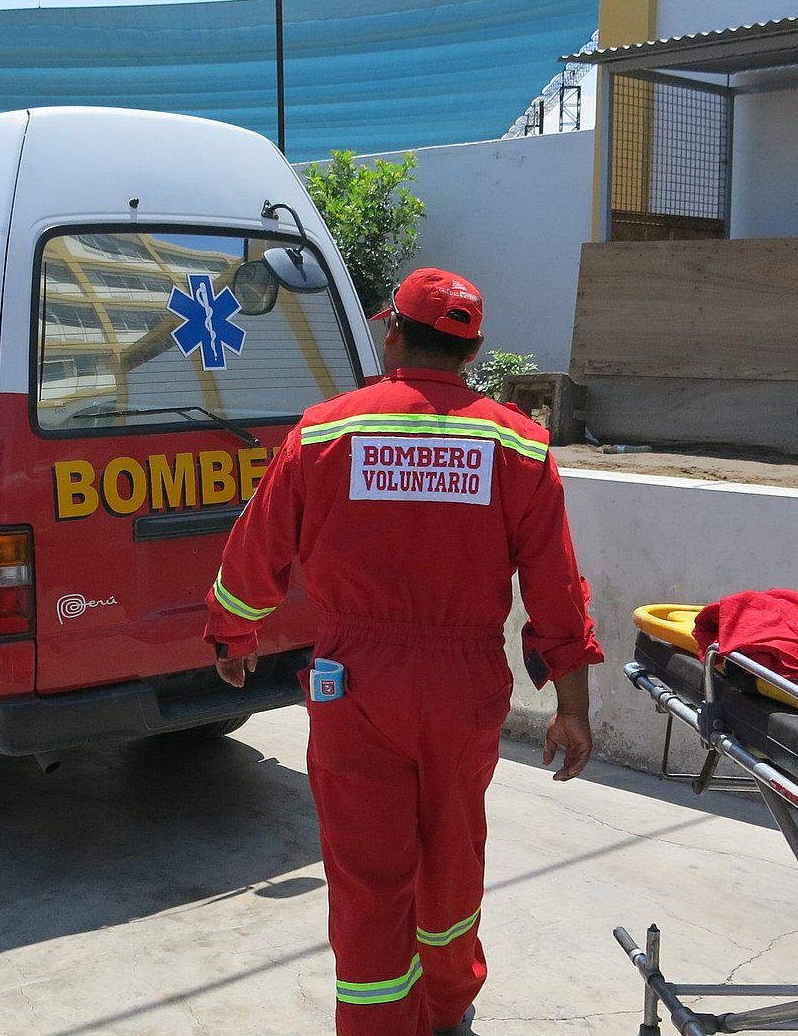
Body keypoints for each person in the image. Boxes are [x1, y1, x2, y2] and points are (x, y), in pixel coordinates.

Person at [204, 268, 603, 1036]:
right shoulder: (518, 443)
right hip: (463, 688)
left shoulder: (325, 432)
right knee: (453, 856)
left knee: (367, 873)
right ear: (474, 350)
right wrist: (573, 706)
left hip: (353, 683)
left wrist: (233, 630)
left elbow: (258, 546)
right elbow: (557, 585)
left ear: (393, 333)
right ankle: (447, 1008)